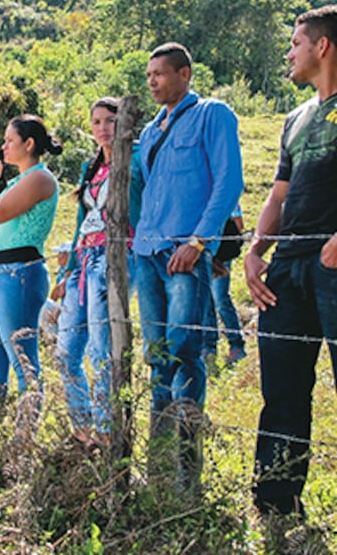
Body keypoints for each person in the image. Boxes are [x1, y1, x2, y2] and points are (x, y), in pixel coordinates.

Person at [132, 42, 243, 487]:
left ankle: (185, 471)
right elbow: (146, 191)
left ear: (184, 74)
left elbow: (229, 181)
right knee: (156, 355)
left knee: (184, 352)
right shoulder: (148, 132)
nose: (152, 82)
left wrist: (200, 242)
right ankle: (158, 468)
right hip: (148, 252)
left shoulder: (212, 115)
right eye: (148, 75)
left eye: (159, 73)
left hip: (185, 252)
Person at [243, 4, 337, 521]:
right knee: (282, 391)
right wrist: (257, 250)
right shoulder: (295, 119)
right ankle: (277, 505)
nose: (289, 53)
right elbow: (278, 195)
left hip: (333, 265)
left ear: (322, 46)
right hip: (288, 267)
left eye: (296, 43)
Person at [0, 115, 61, 443]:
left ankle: (24, 442)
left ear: (29, 143)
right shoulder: (18, 182)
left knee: (24, 363)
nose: (4, 146)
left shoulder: (40, 179)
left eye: (10, 140)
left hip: (18, 274)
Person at [51, 97, 136, 447]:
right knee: (65, 352)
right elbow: (79, 222)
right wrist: (67, 271)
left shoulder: (135, 159)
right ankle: (82, 429)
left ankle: (106, 432)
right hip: (83, 259)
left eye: (110, 120)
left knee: (101, 350)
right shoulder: (91, 166)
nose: (103, 128)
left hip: (115, 255)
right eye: (97, 122)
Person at [203, 205, 247, 368]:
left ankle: (236, 344)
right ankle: (209, 346)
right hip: (201, 249)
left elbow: (238, 222)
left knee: (220, 298)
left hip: (221, 250)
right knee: (206, 300)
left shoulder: (224, 196)